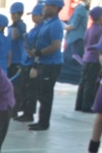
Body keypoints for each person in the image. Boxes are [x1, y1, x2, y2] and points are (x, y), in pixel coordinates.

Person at [26, 0, 64, 131]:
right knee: (42, 92)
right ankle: (41, 120)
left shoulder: (55, 25)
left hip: (51, 64)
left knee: (46, 94)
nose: (44, 8)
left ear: (55, 8)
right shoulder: (48, 23)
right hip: (44, 62)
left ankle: (43, 122)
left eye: (47, 6)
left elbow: (55, 46)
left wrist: (38, 53)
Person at [76, 6, 102, 113]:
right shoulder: (101, 30)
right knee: (91, 83)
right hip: (95, 59)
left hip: (86, 58)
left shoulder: (89, 29)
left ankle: (79, 104)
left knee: (83, 81)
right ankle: (86, 106)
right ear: (100, 17)